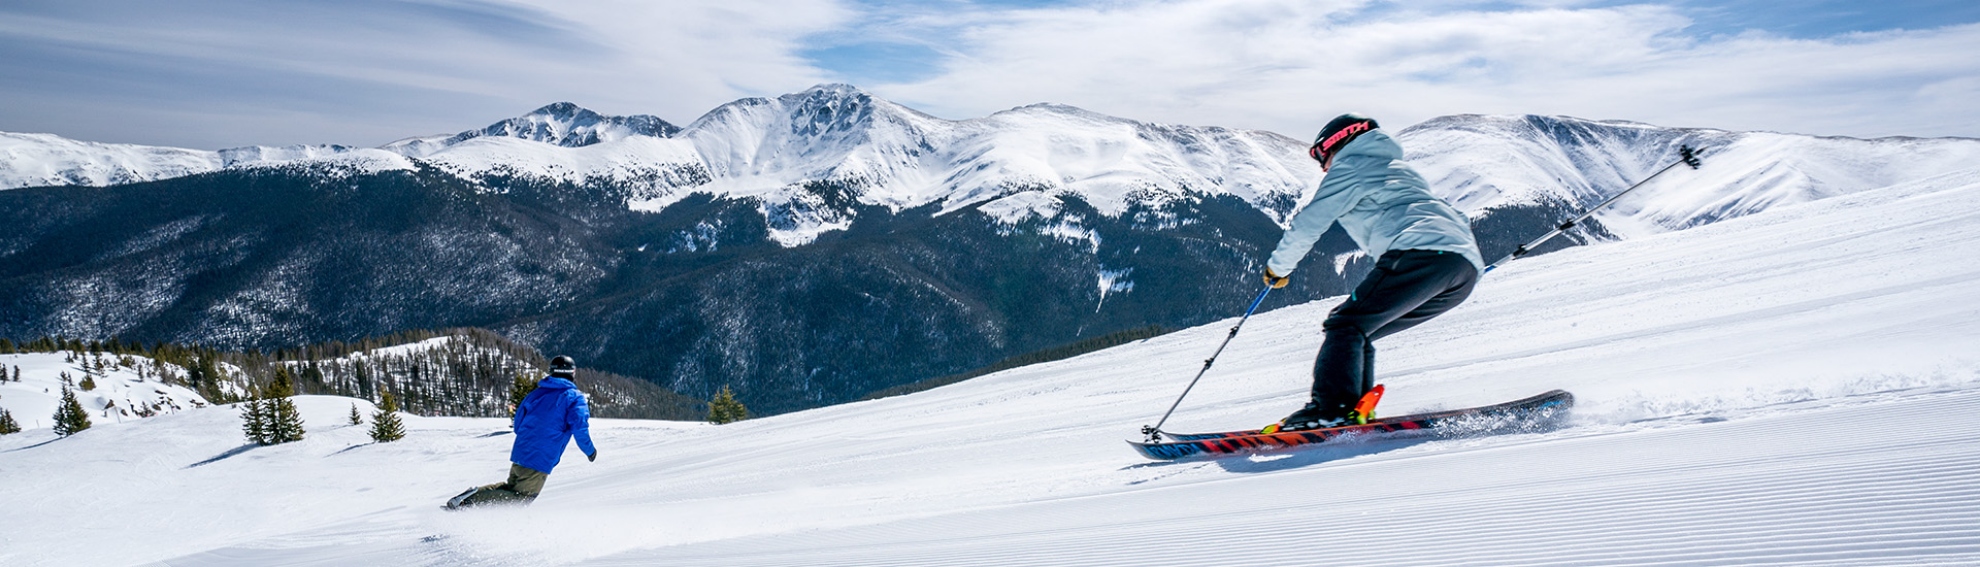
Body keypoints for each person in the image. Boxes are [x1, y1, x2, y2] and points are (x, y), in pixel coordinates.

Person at [1260, 113, 1485, 432]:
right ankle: (1354, 410)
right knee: (1359, 329)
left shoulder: (1351, 166)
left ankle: (1331, 410)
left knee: (1345, 324)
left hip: (1420, 254)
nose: (1323, 166)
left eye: (1321, 156)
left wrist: (1277, 268)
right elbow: (1451, 216)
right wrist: (1460, 265)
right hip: (1461, 269)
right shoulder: (1401, 170)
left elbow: (1310, 221)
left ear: (1338, 142)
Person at [448, 355, 597, 509]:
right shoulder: (574, 398)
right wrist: (590, 451)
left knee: (510, 489)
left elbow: (518, 423)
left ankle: (471, 497)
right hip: (541, 456)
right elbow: (579, 428)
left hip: (522, 450)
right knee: (523, 498)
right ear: (571, 373)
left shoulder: (537, 394)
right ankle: (468, 501)